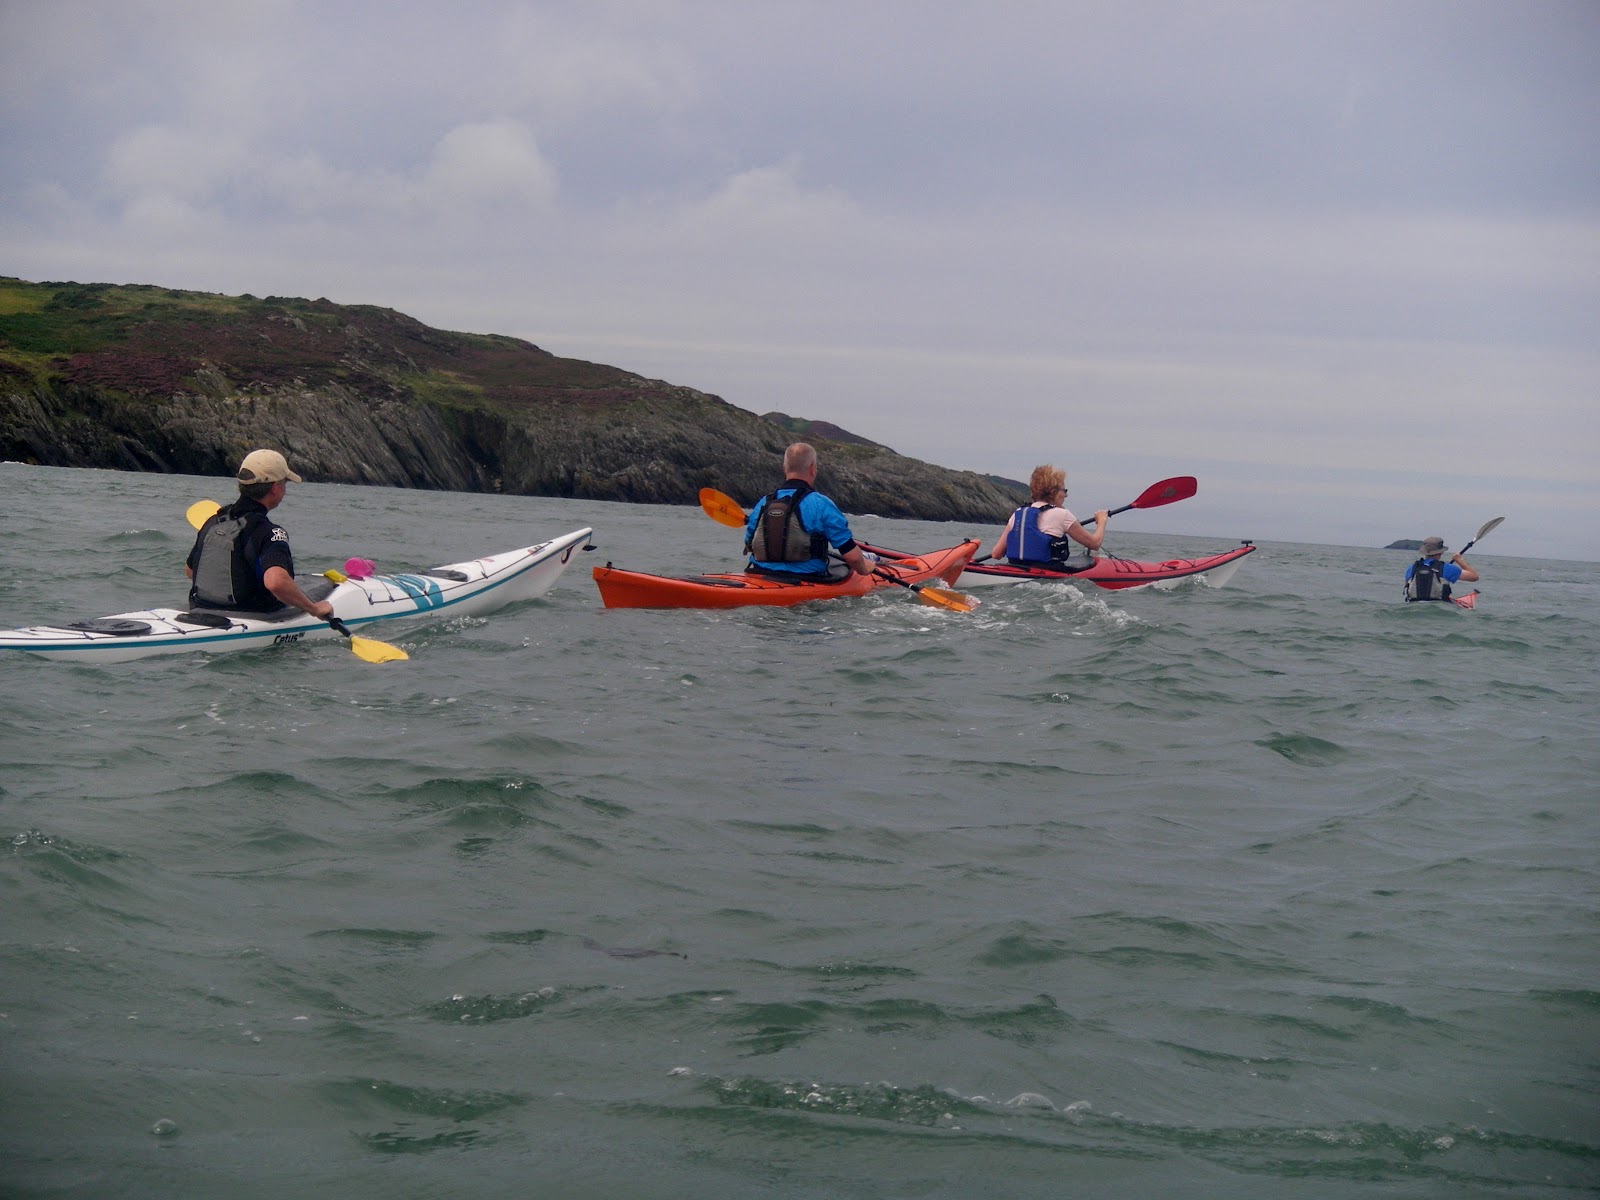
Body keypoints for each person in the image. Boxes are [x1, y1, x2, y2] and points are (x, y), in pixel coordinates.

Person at [185, 449, 335, 619]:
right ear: (275, 488)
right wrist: (314, 609)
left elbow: (190, 571)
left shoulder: (212, 522)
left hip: (201, 609)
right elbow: (276, 583)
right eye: (285, 484)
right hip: (251, 615)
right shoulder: (270, 532)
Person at [744, 443, 877, 582]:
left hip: (760, 574)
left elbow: (749, 542)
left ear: (784, 469)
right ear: (813, 469)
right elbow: (852, 557)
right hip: (807, 579)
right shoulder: (821, 504)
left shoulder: (763, 502)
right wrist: (865, 568)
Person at [988, 464, 1109, 566]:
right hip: (1047, 576)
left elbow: (996, 554)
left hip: (1016, 570)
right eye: (1064, 490)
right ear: (1053, 493)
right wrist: (1102, 521)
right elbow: (1095, 544)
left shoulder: (1019, 513)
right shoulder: (1063, 515)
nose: (1066, 496)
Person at [1404, 535, 1479, 602]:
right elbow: (1474, 577)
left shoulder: (1411, 568)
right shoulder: (1446, 568)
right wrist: (1458, 560)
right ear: (1441, 552)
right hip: (1439, 610)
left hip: (1414, 608)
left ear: (1424, 552)